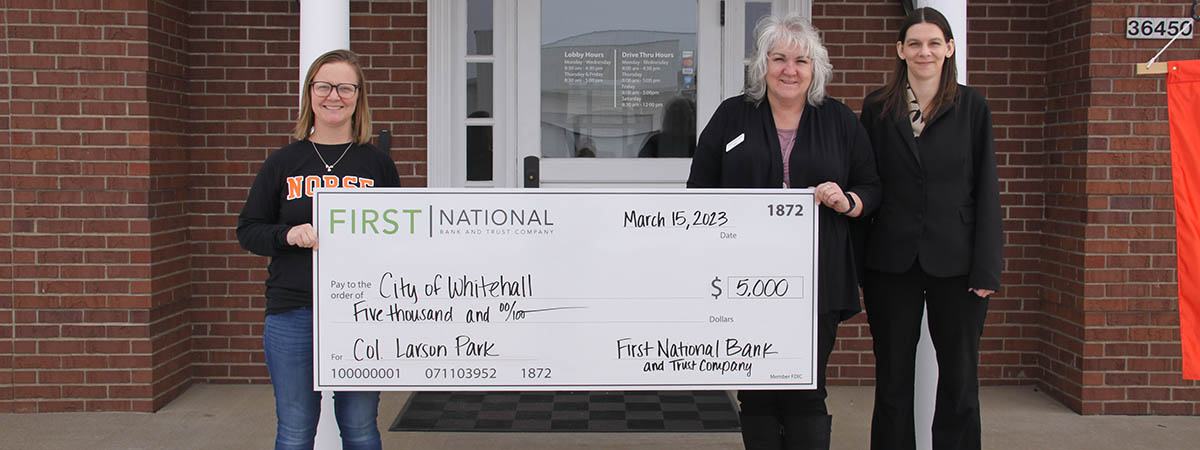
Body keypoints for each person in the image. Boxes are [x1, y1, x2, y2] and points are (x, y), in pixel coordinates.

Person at [687, 13, 880, 450]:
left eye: (800, 61)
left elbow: (871, 187)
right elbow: (699, 189)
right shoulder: (732, 115)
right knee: (755, 386)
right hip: (744, 277)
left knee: (805, 385)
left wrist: (846, 201)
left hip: (818, 275)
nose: (789, 70)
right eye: (778, 59)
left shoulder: (839, 120)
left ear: (816, 70)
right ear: (762, 65)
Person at [237, 49, 400, 450]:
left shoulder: (377, 164)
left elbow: (400, 240)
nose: (334, 96)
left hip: (361, 314)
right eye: (324, 86)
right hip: (294, 311)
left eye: (345, 87)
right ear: (310, 93)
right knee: (294, 431)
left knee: (361, 428)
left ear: (358, 97)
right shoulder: (282, 162)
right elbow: (249, 230)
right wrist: (288, 235)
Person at [858, 7, 1001, 450]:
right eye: (915, 43)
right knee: (894, 382)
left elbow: (987, 189)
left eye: (934, 43)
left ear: (949, 49)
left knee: (959, 383)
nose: (925, 51)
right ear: (900, 50)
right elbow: (868, 181)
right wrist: (862, 267)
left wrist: (986, 270)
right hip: (891, 263)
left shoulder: (973, 106)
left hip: (957, 264)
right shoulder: (878, 107)